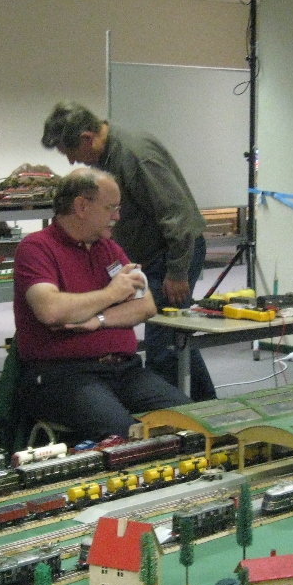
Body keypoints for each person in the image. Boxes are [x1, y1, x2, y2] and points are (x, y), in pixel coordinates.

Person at [41, 102, 216, 401]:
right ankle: (205, 406)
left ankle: (180, 414)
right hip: (153, 254)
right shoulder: (109, 154)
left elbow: (177, 217)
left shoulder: (135, 155)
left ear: (87, 138)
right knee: (173, 340)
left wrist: (177, 271)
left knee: (164, 347)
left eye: (70, 151)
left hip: (171, 253)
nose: (71, 161)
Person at [13, 169, 190, 440]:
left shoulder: (108, 248)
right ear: (81, 206)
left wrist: (98, 320)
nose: (117, 216)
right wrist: (111, 294)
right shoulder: (36, 248)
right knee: (125, 436)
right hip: (64, 374)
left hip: (124, 370)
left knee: (191, 420)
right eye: (111, 208)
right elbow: (50, 310)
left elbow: (145, 307)